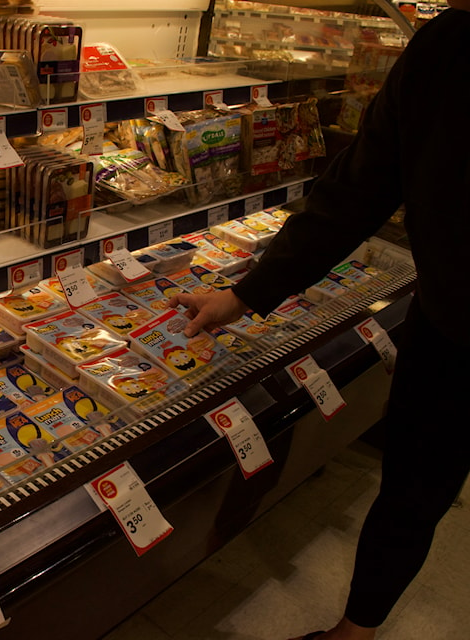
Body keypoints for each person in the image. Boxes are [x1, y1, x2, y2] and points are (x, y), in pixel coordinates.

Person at [168, 4, 470, 640]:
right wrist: (247, 294)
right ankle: (355, 632)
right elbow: (359, 188)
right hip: (452, 328)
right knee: (414, 489)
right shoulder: (446, 43)